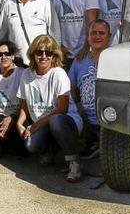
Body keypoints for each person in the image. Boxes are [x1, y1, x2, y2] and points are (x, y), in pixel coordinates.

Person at [16, 35, 83, 183]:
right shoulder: (26, 74)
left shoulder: (58, 74)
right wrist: (19, 123)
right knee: (30, 145)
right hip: (41, 122)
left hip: (65, 120)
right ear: (33, 54)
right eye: (39, 52)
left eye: (49, 53)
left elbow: (62, 109)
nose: (44, 56)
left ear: (54, 56)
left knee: (56, 121)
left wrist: (34, 126)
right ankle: (52, 150)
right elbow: (25, 103)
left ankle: (75, 162)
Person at [68, 20, 110, 158]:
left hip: (109, 118)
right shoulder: (79, 60)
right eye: (93, 33)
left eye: (101, 33)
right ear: (88, 37)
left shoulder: (115, 58)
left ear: (109, 36)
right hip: (86, 118)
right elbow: (71, 88)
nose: (97, 36)